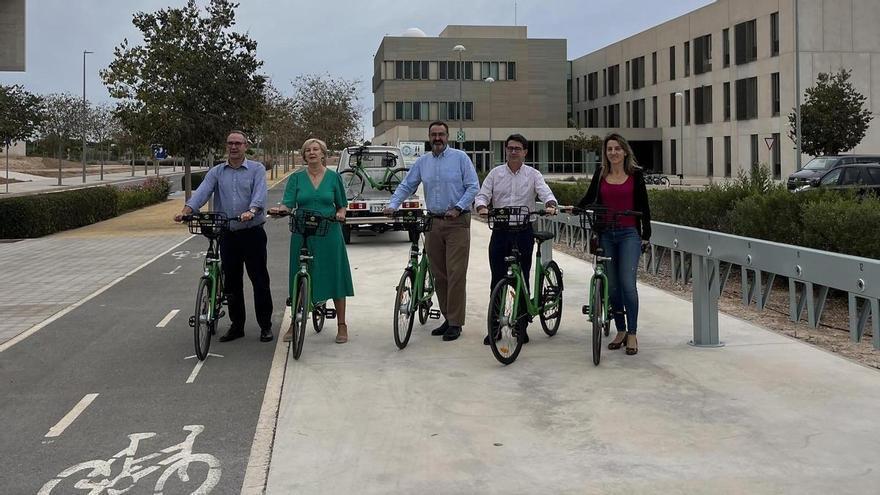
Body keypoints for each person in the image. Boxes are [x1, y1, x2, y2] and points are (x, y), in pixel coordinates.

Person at [174, 130, 274, 342]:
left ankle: (265, 325)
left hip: (252, 231)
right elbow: (202, 191)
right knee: (232, 283)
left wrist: (253, 210)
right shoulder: (217, 171)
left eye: (238, 143)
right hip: (228, 232)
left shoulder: (256, 169)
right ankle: (237, 326)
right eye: (230, 143)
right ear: (226, 146)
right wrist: (187, 210)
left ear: (246, 146)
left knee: (259, 280)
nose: (234, 147)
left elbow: (260, 193)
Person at [384, 121, 479, 342]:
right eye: (434, 135)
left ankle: (455, 323)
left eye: (441, 134)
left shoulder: (460, 158)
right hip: (433, 222)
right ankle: (448, 317)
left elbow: (473, 186)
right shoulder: (423, 162)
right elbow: (407, 185)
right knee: (439, 275)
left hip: (457, 222)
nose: (438, 138)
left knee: (456, 273)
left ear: (448, 136)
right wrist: (393, 204)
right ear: (429, 137)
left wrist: (458, 207)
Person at [475, 133, 558, 345]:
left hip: (523, 231)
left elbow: (545, 192)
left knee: (522, 277)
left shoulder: (533, 175)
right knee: (497, 279)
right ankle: (494, 327)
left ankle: (521, 325)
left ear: (525, 152)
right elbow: (483, 195)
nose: (513, 151)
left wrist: (550, 204)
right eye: (510, 148)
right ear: (506, 150)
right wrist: (482, 206)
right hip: (501, 231)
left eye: (517, 148)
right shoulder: (495, 174)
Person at [269, 138, 353, 344]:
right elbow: (288, 204)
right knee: (299, 274)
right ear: (304, 155)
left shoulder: (333, 178)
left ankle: (342, 325)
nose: (312, 153)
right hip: (302, 231)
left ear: (323, 154)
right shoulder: (296, 179)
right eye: (308, 150)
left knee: (335, 274)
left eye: (316, 149)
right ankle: (294, 322)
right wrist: (280, 210)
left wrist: (341, 214)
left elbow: (342, 205)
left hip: (328, 231)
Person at [575, 132, 651, 355]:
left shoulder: (635, 175)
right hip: (606, 232)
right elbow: (590, 197)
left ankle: (633, 334)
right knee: (613, 286)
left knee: (628, 284)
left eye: (617, 148)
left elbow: (644, 207)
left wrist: (647, 233)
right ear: (605, 153)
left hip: (629, 234)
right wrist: (576, 207)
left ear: (625, 151)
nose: (613, 152)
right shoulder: (601, 174)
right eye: (609, 149)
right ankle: (621, 330)